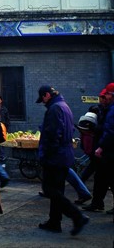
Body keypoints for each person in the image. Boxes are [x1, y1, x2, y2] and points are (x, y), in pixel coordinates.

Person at [35, 85, 89, 235]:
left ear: (47, 95)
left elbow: (53, 135)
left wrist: (45, 155)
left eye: (43, 99)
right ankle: (54, 221)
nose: (43, 102)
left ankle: (77, 216)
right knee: (57, 190)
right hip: (65, 155)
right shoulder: (64, 106)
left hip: (55, 157)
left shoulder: (54, 109)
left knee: (49, 189)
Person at [84, 83, 114, 214]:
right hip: (106, 149)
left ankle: (97, 203)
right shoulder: (106, 109)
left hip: (108, 150)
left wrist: (101, 146)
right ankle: (97, 203)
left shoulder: (110, 110)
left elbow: (109, 131)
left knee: (106, 178)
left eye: (106, 94)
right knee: (101, 177)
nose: (103, 97)